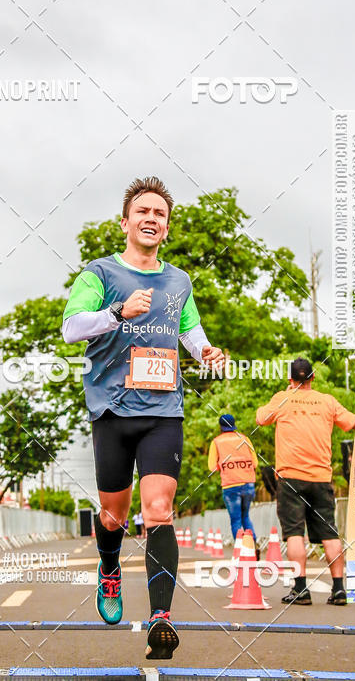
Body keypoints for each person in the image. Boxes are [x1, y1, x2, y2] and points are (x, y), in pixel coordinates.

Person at [62, 176, 224, 659]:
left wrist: (206, 352)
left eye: (160, 215)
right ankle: (109, 569)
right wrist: (117, 312)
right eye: (144, 212)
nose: (152, 219)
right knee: (113, 514)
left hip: (163, 411)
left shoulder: (179, 281)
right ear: (125, 222)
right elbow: (71, 328)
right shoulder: (100, 273)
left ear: (166, 228)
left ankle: (160, 619)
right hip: (112, 410)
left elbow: (190, 331)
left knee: (158, 510)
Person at [255, 357, 355, 606]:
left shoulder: (282, 398)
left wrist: (287, 393)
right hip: (321, 478)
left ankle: (301, 589)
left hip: (290, 478)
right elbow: (353, 422)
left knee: (294, 533)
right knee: (330, 533)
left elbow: (261, 418)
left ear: (291, 379)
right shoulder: (327, 401)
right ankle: (339, 589)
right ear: (313, 377)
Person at [208, 414, 257, 542]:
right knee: (245, 517)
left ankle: (240, 549)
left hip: (230, 486)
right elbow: (255, 463)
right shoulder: (245, 439)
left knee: (236, 520)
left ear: (220, 426)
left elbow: (211, 467)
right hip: (248, 484)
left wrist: (223, 466)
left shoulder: (216, 442)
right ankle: (252, 545)